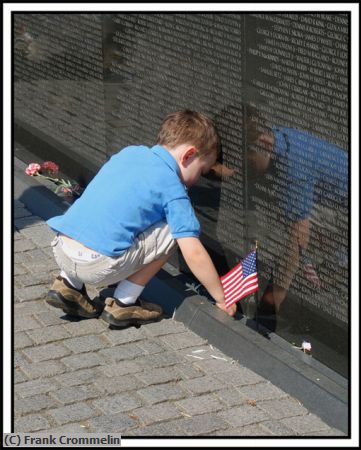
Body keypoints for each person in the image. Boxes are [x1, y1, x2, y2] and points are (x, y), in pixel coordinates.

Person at [46, 110, 237, 327]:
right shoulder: (174, 189)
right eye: (201, 170)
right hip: (98, 265)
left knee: (106, 211)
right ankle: (125, 303)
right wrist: (222, 298)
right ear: (188, 155)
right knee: (174, 230)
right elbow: (193, 252)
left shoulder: (129, 153)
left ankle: (68, 285)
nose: (198, 179)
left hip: (62, 250)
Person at [245, 104, 348, 317]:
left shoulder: (294, 170)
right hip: (336, 203)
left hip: (342, 208)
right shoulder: (279, 137)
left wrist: (271, 303)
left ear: (264, 143)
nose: (244, 167)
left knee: (319, 268)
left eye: (246, 158)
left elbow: (297, 242)